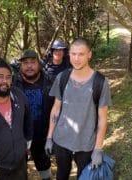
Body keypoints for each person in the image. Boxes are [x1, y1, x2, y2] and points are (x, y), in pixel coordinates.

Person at [45, 37, 111, 180]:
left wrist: (98, 149)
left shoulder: (100, 82)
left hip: (86, 142)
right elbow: (56, 109)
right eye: (73, 54)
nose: (76, 58)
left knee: (84, 176)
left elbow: (103, 119)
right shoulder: (62, 77)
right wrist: (49, 137)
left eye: (81, 54)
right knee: (62, 174)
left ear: (89, 54)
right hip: (61, 139)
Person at [13, 49, 54, 180]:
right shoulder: (13, 83)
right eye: (25, 63)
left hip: (42, 132)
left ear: (39, 63)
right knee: (18, 167)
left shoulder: (49, 81)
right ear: (20, 66)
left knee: (44, 163)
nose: (29, 66)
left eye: (33, 62)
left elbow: (58, 107)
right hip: (19, 133)